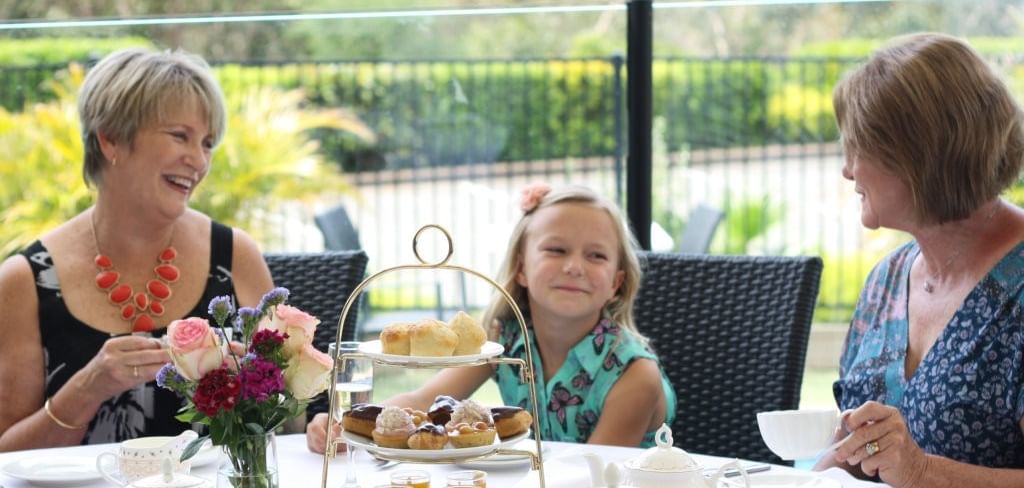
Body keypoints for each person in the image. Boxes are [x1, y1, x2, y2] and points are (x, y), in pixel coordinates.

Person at [0, 47, 274, 450]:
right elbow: (7, 461)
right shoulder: (25, 280)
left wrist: (253, 384)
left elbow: (293, 421)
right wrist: (88, 389)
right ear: (110, 140)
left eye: (208, 143)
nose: (198, 161)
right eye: (180, 136)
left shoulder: (235, 256)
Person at [818, 33, 1024, 488]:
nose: (848, 171)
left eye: (858, 148)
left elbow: (914, 472)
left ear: (919, 158)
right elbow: (852, 458)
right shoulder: (887, 280)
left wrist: (925, 474)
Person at [307, 183, 676, 454]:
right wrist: (352, 425)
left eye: (596, 256)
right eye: (556, 250)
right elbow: (422, 400)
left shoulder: (634, 375)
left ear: (616, 282)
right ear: (521, 269)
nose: (574, 267)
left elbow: (597, 477)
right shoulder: (506, 339)